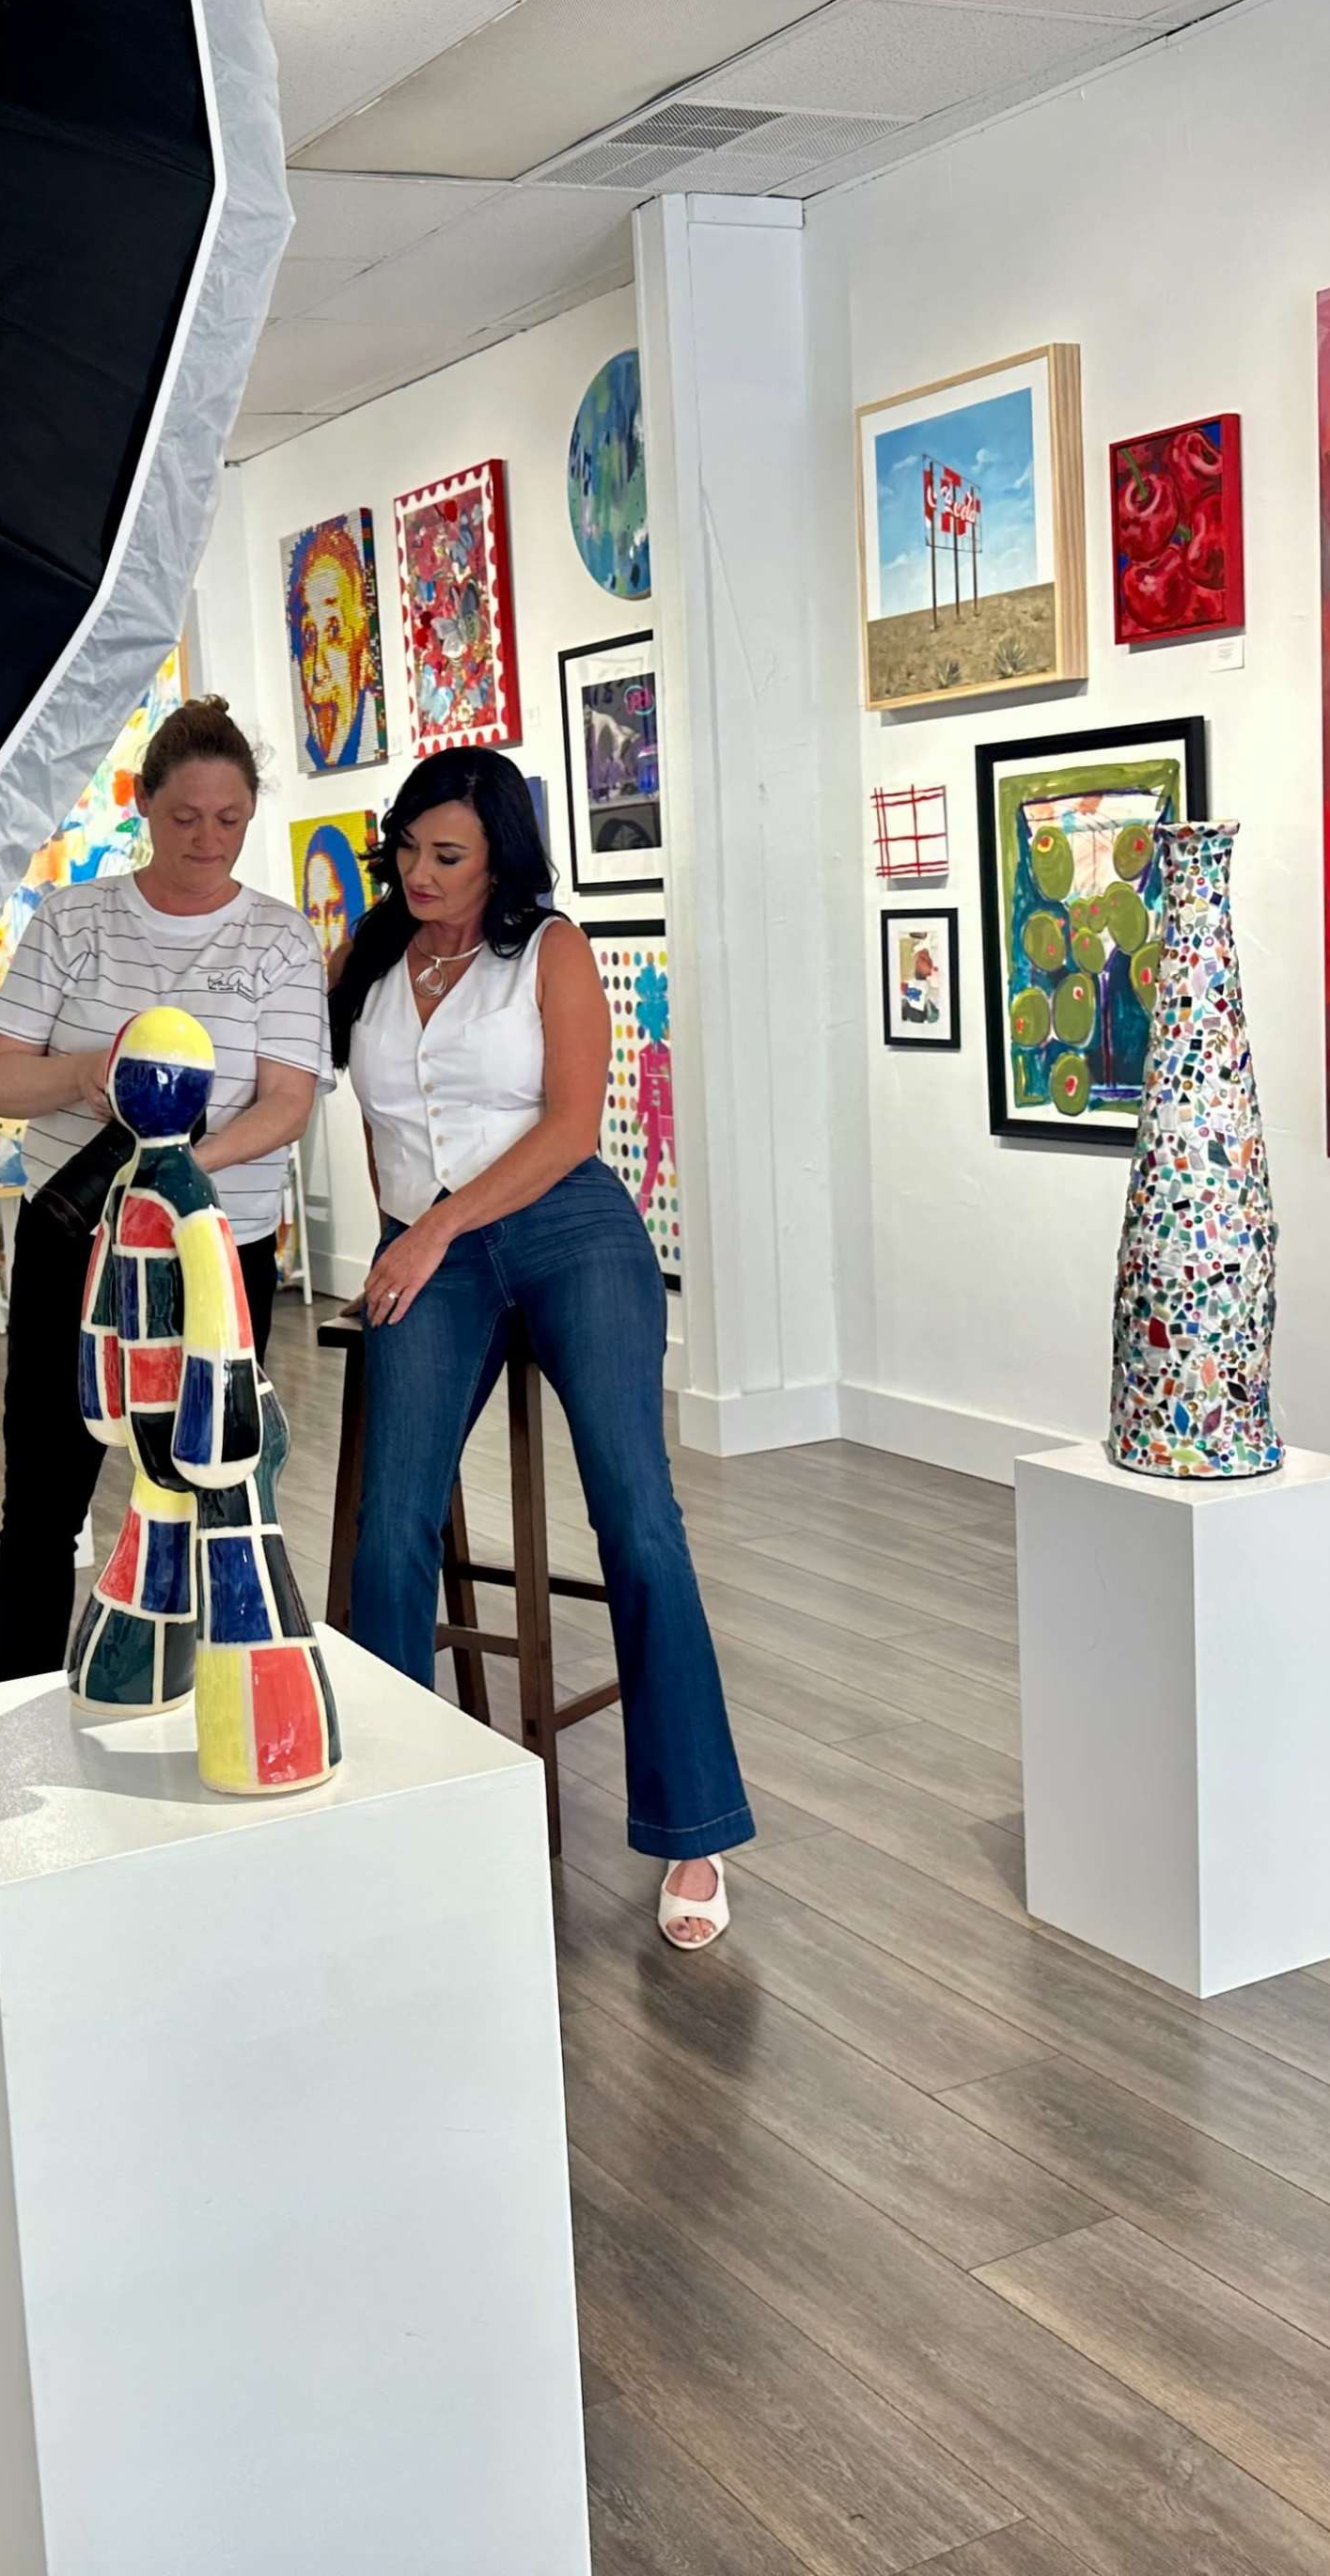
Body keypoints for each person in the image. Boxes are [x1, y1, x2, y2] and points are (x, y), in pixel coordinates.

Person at [333, 746, 749, 1949]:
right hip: (432, 1247)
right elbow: (379, 1126)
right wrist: (398, 1239)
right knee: (391, 1520)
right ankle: (397, 1813)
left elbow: (573, 1123)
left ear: (500, 854)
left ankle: (695, 1829)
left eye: (447, 854)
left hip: (566, 1228)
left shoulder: (549, 949)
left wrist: (433, 1232)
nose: (419, 873)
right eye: (408, 848)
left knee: (634, 1507)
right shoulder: (366, 960)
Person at [0, 697, 328, 1682]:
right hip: (71, 1244)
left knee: (214, 1487)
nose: (208, 841)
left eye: (229, 821)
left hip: (217, 1253)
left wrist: (168, 1177)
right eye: (185, 819)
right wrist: (90, 1074)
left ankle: (208, 1702)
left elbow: (287, 1105)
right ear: (142, 804)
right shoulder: (74, 920)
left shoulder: (279, 940)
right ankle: (24, 1717)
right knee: (42, 1501)